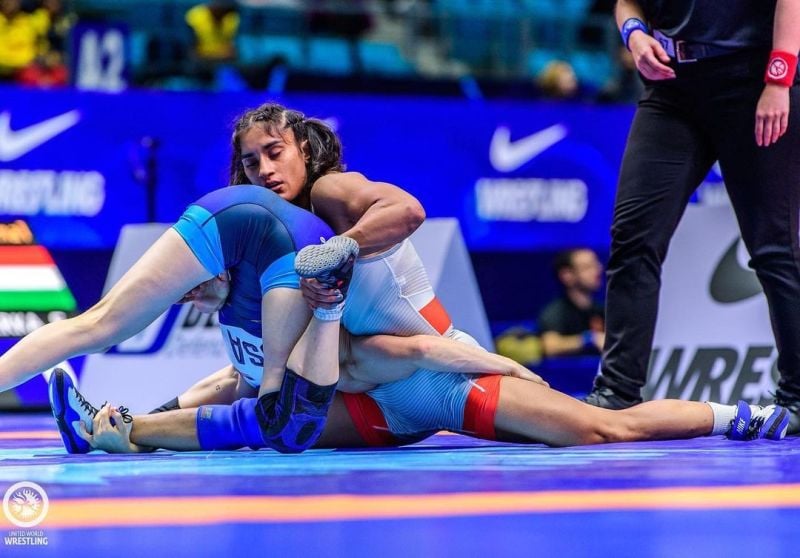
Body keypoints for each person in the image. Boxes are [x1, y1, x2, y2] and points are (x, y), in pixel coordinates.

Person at [54, 277, 790, 454]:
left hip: (442, 388)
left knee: (607, 431)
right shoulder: (266, 342)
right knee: (260, 424)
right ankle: (117, 428)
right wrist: (157, 406)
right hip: (381, 415)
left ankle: (747, 415)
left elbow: (428, 351)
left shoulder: (350, 344)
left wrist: (513, 369)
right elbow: (230, 386)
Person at [3, 184, 360, 455]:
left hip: (273, 251)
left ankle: (108, 430)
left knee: (265, 408)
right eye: (254, 158)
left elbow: (238, 387)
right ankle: (121, 431)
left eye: (273, 153)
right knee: (99, 325)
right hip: (269, 241)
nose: (185, 295)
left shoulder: (258, 314)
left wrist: (135, 434)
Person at [584, 0, 800, 433]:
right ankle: (617, 392)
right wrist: (634, 34)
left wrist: (779, 80)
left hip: (753, 81)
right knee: (633, 238)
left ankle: (797, 396)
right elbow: (628, 2)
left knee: (774, 248)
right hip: (672, 89)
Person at [537, 248, 605, 358]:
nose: (597, 271)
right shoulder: (555, 311)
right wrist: (590, 339)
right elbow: (550, 346)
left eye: (596, 265)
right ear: (567, 275)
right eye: (587, 267)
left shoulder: (602, 309)